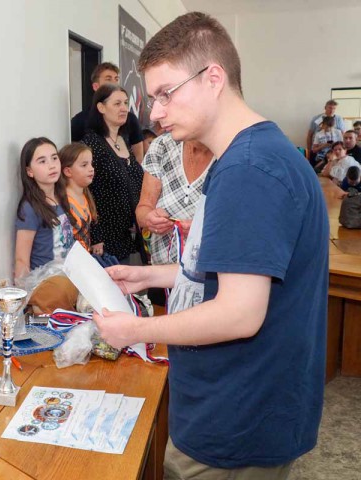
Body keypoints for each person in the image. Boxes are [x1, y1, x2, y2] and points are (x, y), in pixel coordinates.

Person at [94, 12, 328, 479]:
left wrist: (136, 330)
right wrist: (149, 274)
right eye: (153, 98)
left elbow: (240, 313)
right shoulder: (250, 156)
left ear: (213, 78)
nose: (155, 113)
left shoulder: (249, 171)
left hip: (237, 418)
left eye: (166, 93)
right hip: (238, 404)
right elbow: (231, 271)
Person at [81, 84, 144, 262]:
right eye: (117, 104)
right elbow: (85, 191)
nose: (124, 108)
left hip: (127, 235)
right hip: (104, 239)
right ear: (101, 107)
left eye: (125, 103)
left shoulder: (124, 140)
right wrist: (96, 235)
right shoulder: (92, 143)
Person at [136, 134, 214, 265]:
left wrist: (204, 229)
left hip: (209, 270)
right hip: (160, 269)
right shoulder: (162, 145)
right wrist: (149, 219)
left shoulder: (229, 152)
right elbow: (143, 208)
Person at [14, 137, 74, 280]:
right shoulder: (29, 208)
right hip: (46, 284)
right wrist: (25, 289)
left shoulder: (61, 197)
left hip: (68, 278)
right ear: (29, 171)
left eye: (54, 158)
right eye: (42, 161)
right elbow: (21, 260)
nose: (51, 165)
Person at [70, 62, 144, 162]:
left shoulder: (130, 119)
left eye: (116, 79)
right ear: (96, 86)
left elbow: (139, 158)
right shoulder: (80, 121)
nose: (114, 83)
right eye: (108, 79)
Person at [59, 143, 97, 252]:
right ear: (68, 171)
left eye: (91, 164)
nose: (91, 169)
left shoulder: (85, 194)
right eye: (84, 165)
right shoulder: (65, 202)